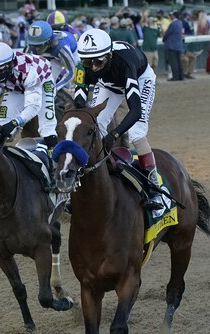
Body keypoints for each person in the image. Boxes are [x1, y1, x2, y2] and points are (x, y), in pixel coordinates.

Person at [73, 28, 163, 210]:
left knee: (136, 132)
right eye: (88, 63)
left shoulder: (125, 63)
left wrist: (114, 134)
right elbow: (79, 96)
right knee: (95, 125)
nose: (93, 68)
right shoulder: (83, 66)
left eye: (98, 62)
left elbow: (135, 110)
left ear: (109, 56)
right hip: (108, 84)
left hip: (140, 77)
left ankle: (155, 189)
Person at [0, 42, 58, 147]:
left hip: (42, 81)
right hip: (15, 86)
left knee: (47, 126)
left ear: (11, 63)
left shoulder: (29, 71)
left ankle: (53, 154)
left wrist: (15, 123)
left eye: (0, 69)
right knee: (1, 127)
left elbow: (33, 106)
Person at [25, 20, 78, 93]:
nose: (36, 49)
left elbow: (71, 72)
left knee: (73, 85)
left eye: (39, 45)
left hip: (72, 53)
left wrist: (56, 88)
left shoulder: (62, 47)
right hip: (54, 56)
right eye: (33, 45)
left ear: (48, 41)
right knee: (47, 82)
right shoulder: (31, 46)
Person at [162, 10, 184, 81]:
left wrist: (164, 39)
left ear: (173, 16)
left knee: (173, 63)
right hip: (178, 45)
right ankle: (181, 76)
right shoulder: (180, 23)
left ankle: (175, 77)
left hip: (171, 45)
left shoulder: (173, 24)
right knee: (178, 62)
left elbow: (167, 34)